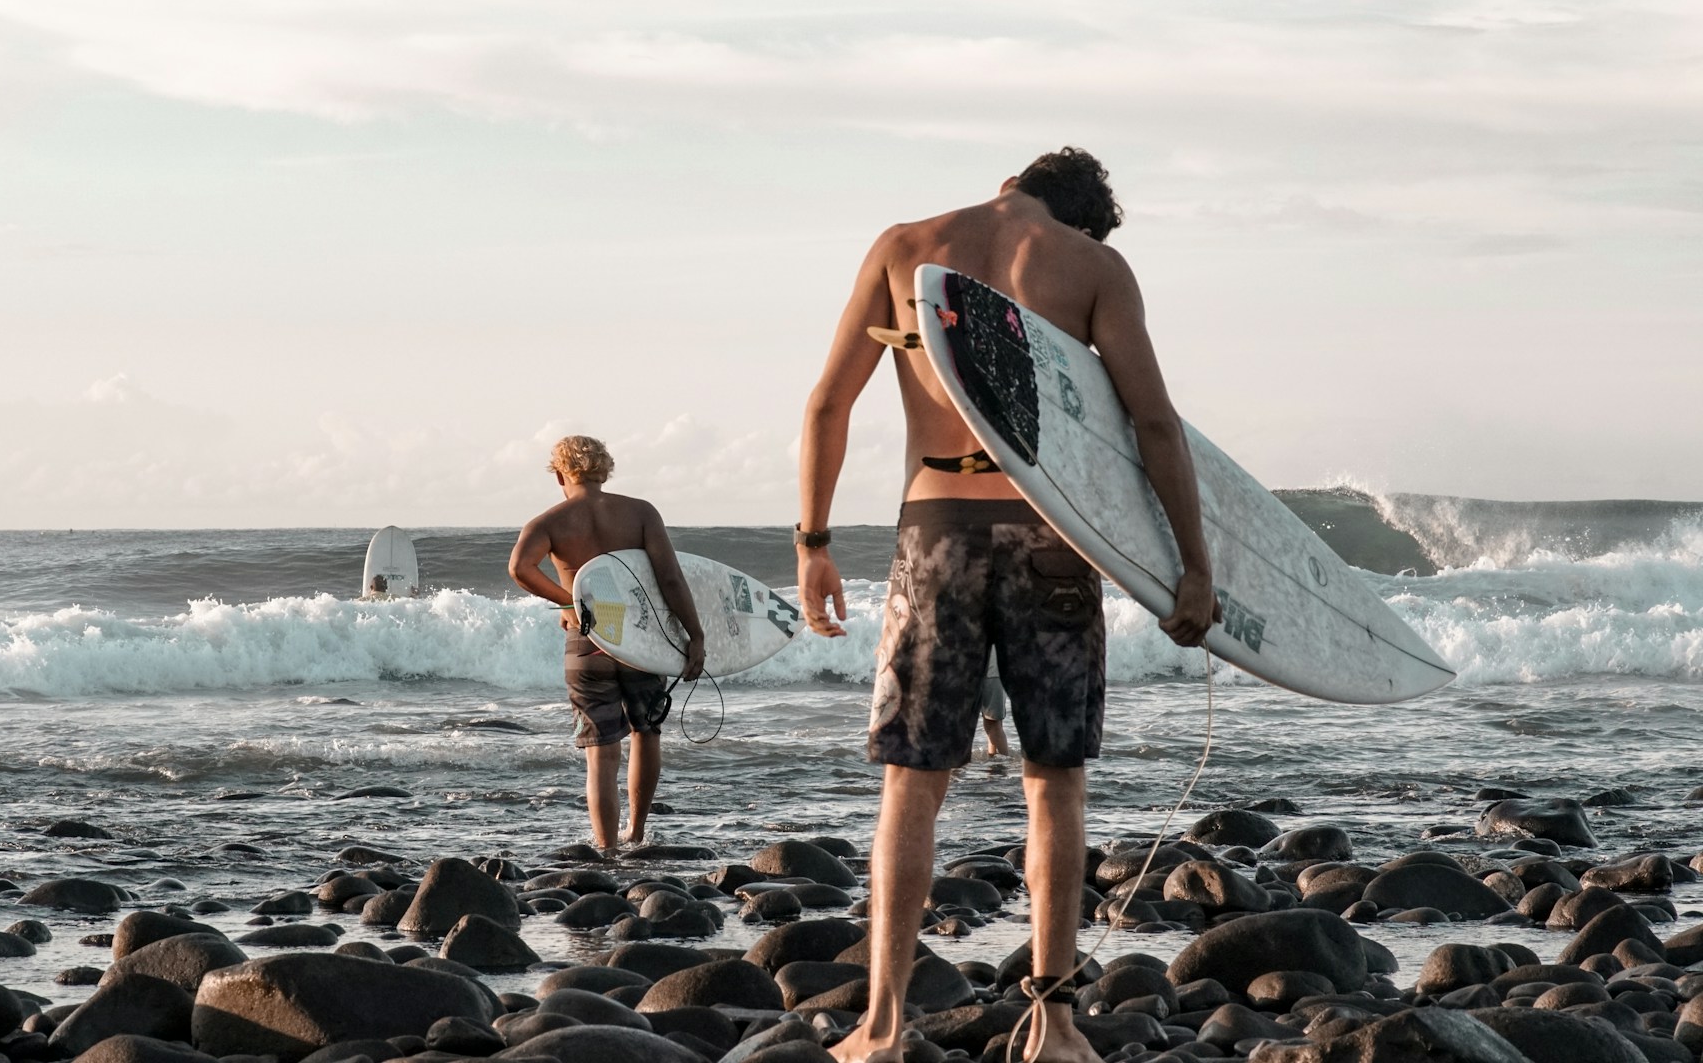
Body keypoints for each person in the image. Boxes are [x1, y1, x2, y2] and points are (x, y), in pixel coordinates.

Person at [797, 148, 1219, 1063]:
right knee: (1053, 778)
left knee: (912, 783)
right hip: (1054, 536)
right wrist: (1193, 566)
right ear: (1078, 219)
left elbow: (828, 404)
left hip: (934, 529)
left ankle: (882, 1025)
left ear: (1008, 184)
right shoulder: (1094, 268)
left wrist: (814, 543)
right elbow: (1153, 425)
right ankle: (1055, 1024)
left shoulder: (905, 246)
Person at [508, 435, 707, 855]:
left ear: (560, 475)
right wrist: (695, 635)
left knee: (601, 752)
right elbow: (671, 578)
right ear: (605, 470)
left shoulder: (549, 521)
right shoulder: (640, 513)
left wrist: (568, 601)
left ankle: (606, 848)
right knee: (646, 733)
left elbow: (519, 568)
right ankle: (636, 832)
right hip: (639, 638)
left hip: (588, 640)